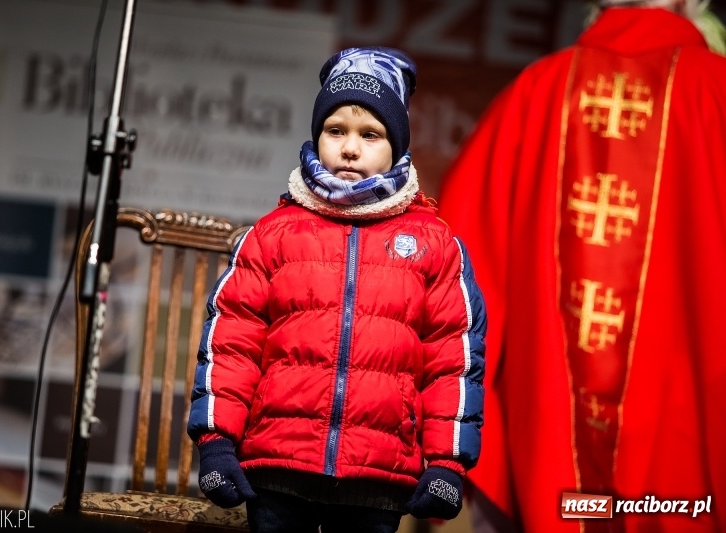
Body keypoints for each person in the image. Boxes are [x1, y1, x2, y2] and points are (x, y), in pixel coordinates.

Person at [438, 1, 726, 532]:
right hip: (685, 436)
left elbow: (457, 264)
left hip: (540, 436)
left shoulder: (539, 89)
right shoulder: (716, 92)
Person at [186, 47, 486, 533]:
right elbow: (230, 343)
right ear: (317, 135)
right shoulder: (274, 234)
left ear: (399, 147)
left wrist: (448, 463)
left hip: (379, 477)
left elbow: (454, 359)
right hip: (278, 469)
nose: (350, 148)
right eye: (335, 130)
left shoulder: (434, 246)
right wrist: (217, 442)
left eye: (371, 134)